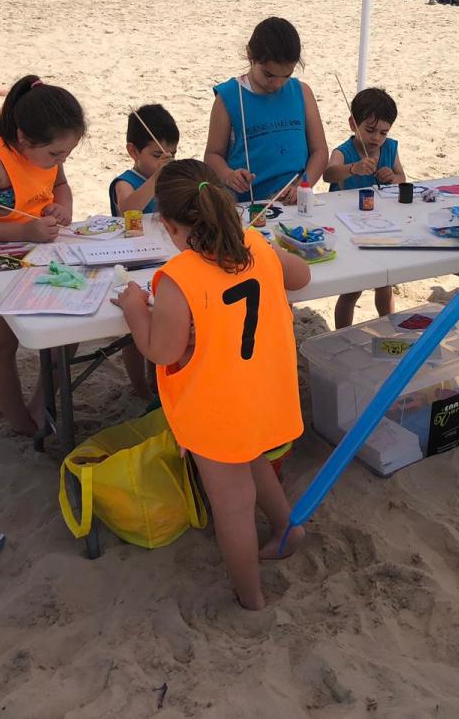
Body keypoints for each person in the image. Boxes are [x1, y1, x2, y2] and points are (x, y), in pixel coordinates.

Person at [113, 160, 310, 610]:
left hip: (217, 405)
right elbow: (301, 276)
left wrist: (132, 308)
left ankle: (251, 598)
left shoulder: (179, 279)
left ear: (167, 225)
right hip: (264, 391)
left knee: (233, 506)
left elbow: (160, 351)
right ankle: (286, 529)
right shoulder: (254, 244)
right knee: (255, 460)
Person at [0, 76, 87, 436]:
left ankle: (42, 404)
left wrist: (61, 208)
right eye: (56, 154)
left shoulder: (48, 146)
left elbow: (60, 185)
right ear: (24, 138)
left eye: (66, 154)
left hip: (32, 246)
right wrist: (23, 230)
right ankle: (20, 422)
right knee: (1, 343)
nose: (60, 160)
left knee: (67, 329)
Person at [204, 17, 328, 205]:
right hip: (248, 205)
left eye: (286, 75)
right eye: (268, 75)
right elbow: (212, 156)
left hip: (295, 201)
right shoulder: (228, 97)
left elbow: (319, 151)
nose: (277, 84)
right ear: (250, 55)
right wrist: (229, 175)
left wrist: (304, 184)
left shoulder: (302, 92)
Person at [110, 105, 179, 399]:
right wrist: (156, 179)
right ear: (133, 151)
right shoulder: (126, 181)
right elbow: (129, 208)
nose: (164, 161)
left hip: (163, 256)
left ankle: (157, 381)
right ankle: (139, 385)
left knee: (160, 322)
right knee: (133, 332)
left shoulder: (168, 176)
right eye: (156, 155)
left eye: (171, 154)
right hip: (132, 260)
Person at [322, 88, 405, 328]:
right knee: (352, 289)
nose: (376, 138)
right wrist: (352, 169)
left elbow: (403, 178)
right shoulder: (344, 152)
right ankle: (342, 334)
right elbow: (329, 174)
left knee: (385, 282)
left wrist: (392, 177)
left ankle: (388, 326)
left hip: (380, 224)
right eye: (370, 130)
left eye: (383, 132)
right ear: (352, 124)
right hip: (348, 225)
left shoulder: (390, 148)